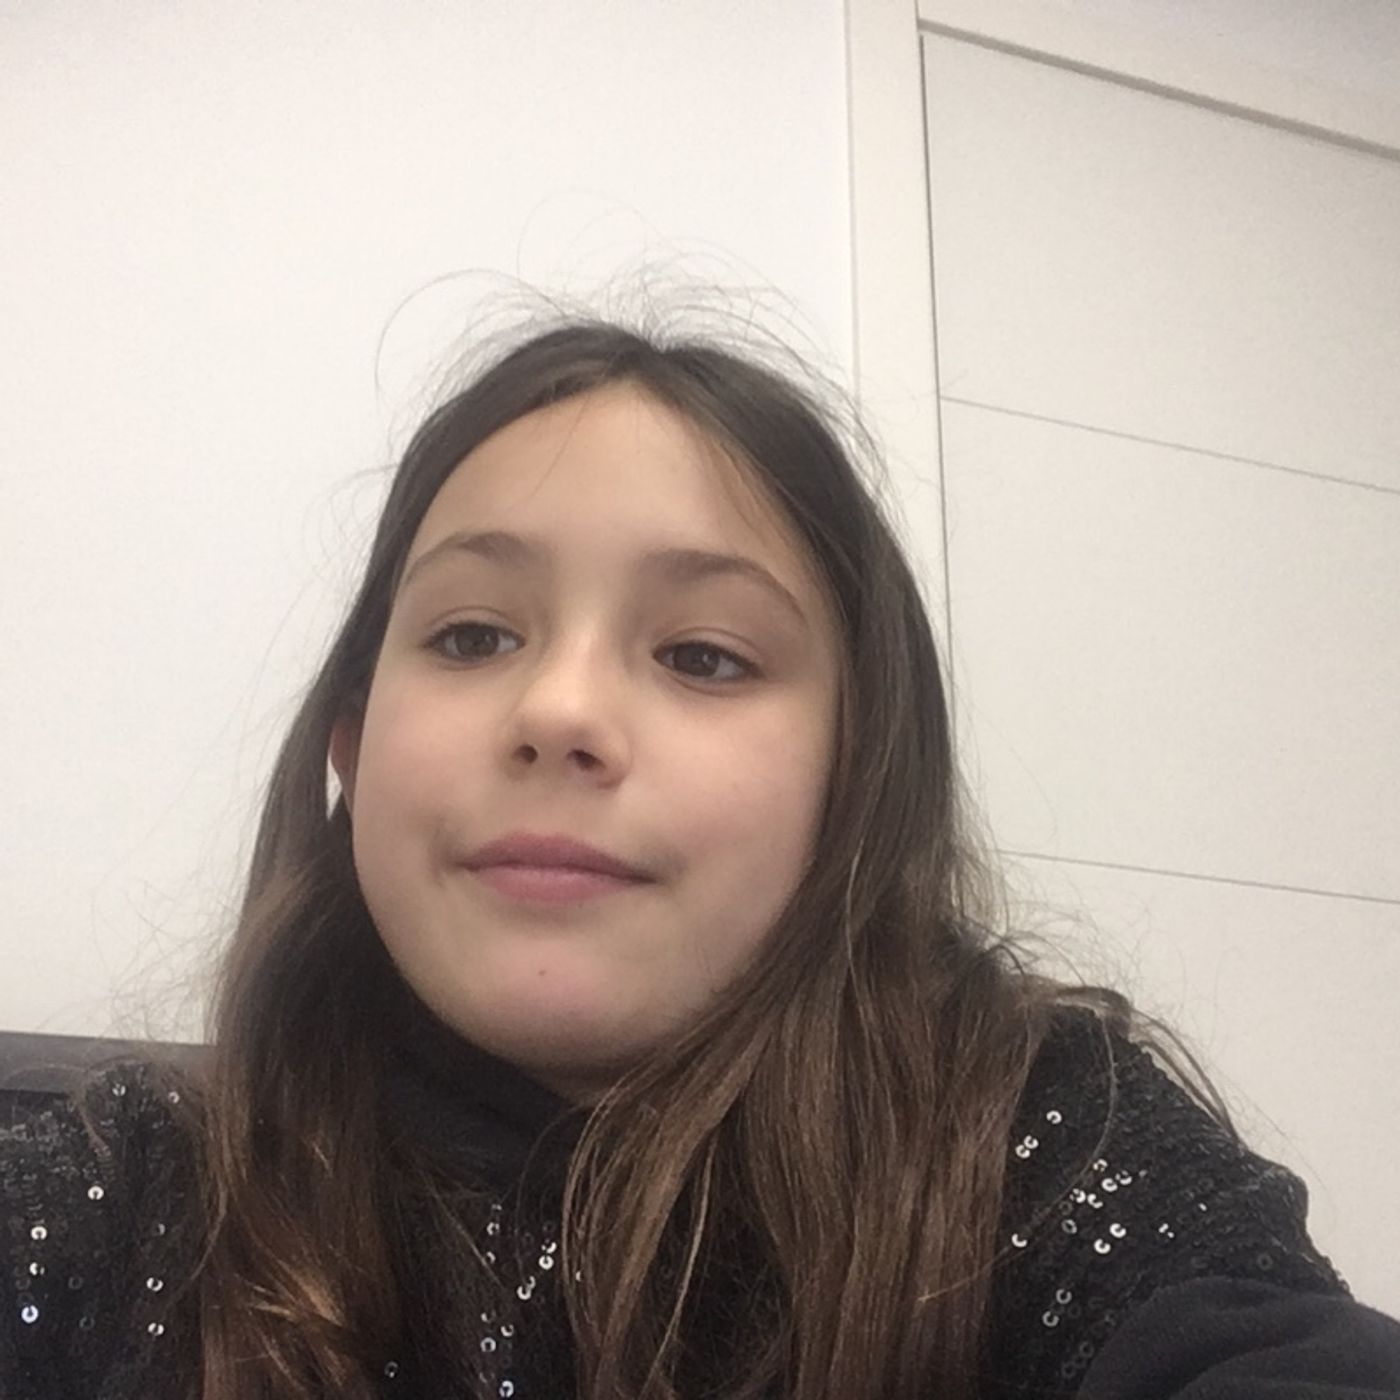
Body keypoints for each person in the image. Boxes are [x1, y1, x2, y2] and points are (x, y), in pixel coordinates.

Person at [3, 312, 1398, 1400]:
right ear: (353, 751)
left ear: (854, 782)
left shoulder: (1037, 1141)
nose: (559, 711)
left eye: (705, 656)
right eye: (474, 635)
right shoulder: (124, 1192)